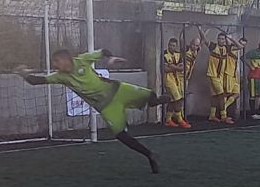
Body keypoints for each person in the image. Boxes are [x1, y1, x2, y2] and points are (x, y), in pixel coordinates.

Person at [15, 49, 170, 173]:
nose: (54, 65)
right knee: (121, 135)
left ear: (66, 59)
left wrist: (110, 58)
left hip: (118, 90)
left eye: (56, 61)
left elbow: (104, 51)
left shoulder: (83, 59)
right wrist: (24, 74)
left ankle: (154, 102)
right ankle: (150, 155)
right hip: (106, 106)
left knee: (150, 95)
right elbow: (37, 81)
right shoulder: (60, 76)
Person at [205, 29, 241, 124]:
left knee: (215, 96)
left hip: (220, 76)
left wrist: (230, 38)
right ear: (217, 39)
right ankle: (224, 116)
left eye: (223, 39)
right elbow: (205, 40)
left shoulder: (227, 48)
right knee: (221, 95)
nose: (221, 40)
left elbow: (240, 46)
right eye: (219, 39)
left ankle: (212, 115)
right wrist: (203, 31)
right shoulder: (213, 46)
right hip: (213, 75)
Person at [162, 38, 191, 128]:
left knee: (172, 100)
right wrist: (176, 67)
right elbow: (165, 69)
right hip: (168, 80)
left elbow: (182, 68)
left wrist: (172, 66)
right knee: (177, 99)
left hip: (177, 79)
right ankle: (180, 120)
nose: (172, 47)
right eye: (170, 45)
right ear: (168, 45)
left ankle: (168, 120)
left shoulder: (179, 54)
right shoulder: (164, 54)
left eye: (174, 45)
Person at [223, 37, 247, 119]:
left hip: (234, 75)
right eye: (241, 43)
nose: (242, 45)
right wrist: (230, 38)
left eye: (244, 44)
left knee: (237, 93)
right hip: (228, 73)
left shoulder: (238, 51)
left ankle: (224, 107)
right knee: (226, 93)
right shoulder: (231, 48)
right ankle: (223, 112)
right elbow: (238, 46)